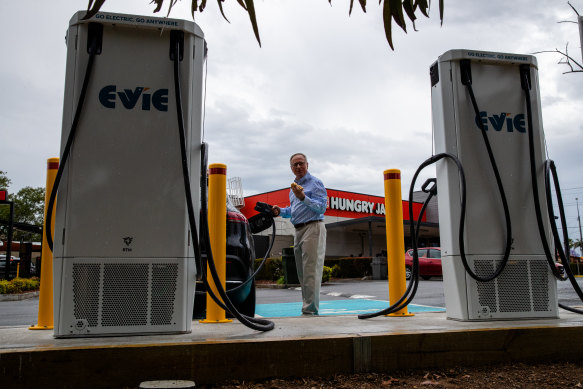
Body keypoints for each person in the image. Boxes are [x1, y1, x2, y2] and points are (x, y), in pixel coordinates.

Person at [272, 153, 327, 315]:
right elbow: (294, 211)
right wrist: (279, 211)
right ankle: (308, 307)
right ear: (291, 168)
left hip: (313, 227)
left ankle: (310, 310)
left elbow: (322, 207)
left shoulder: (315, 183)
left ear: (307, 165)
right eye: (294, 165)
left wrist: (303, 197)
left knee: (311, 271)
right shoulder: (293, 188)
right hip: (299, 230)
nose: (298, 167)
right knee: (302, 273)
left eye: (300, 163)